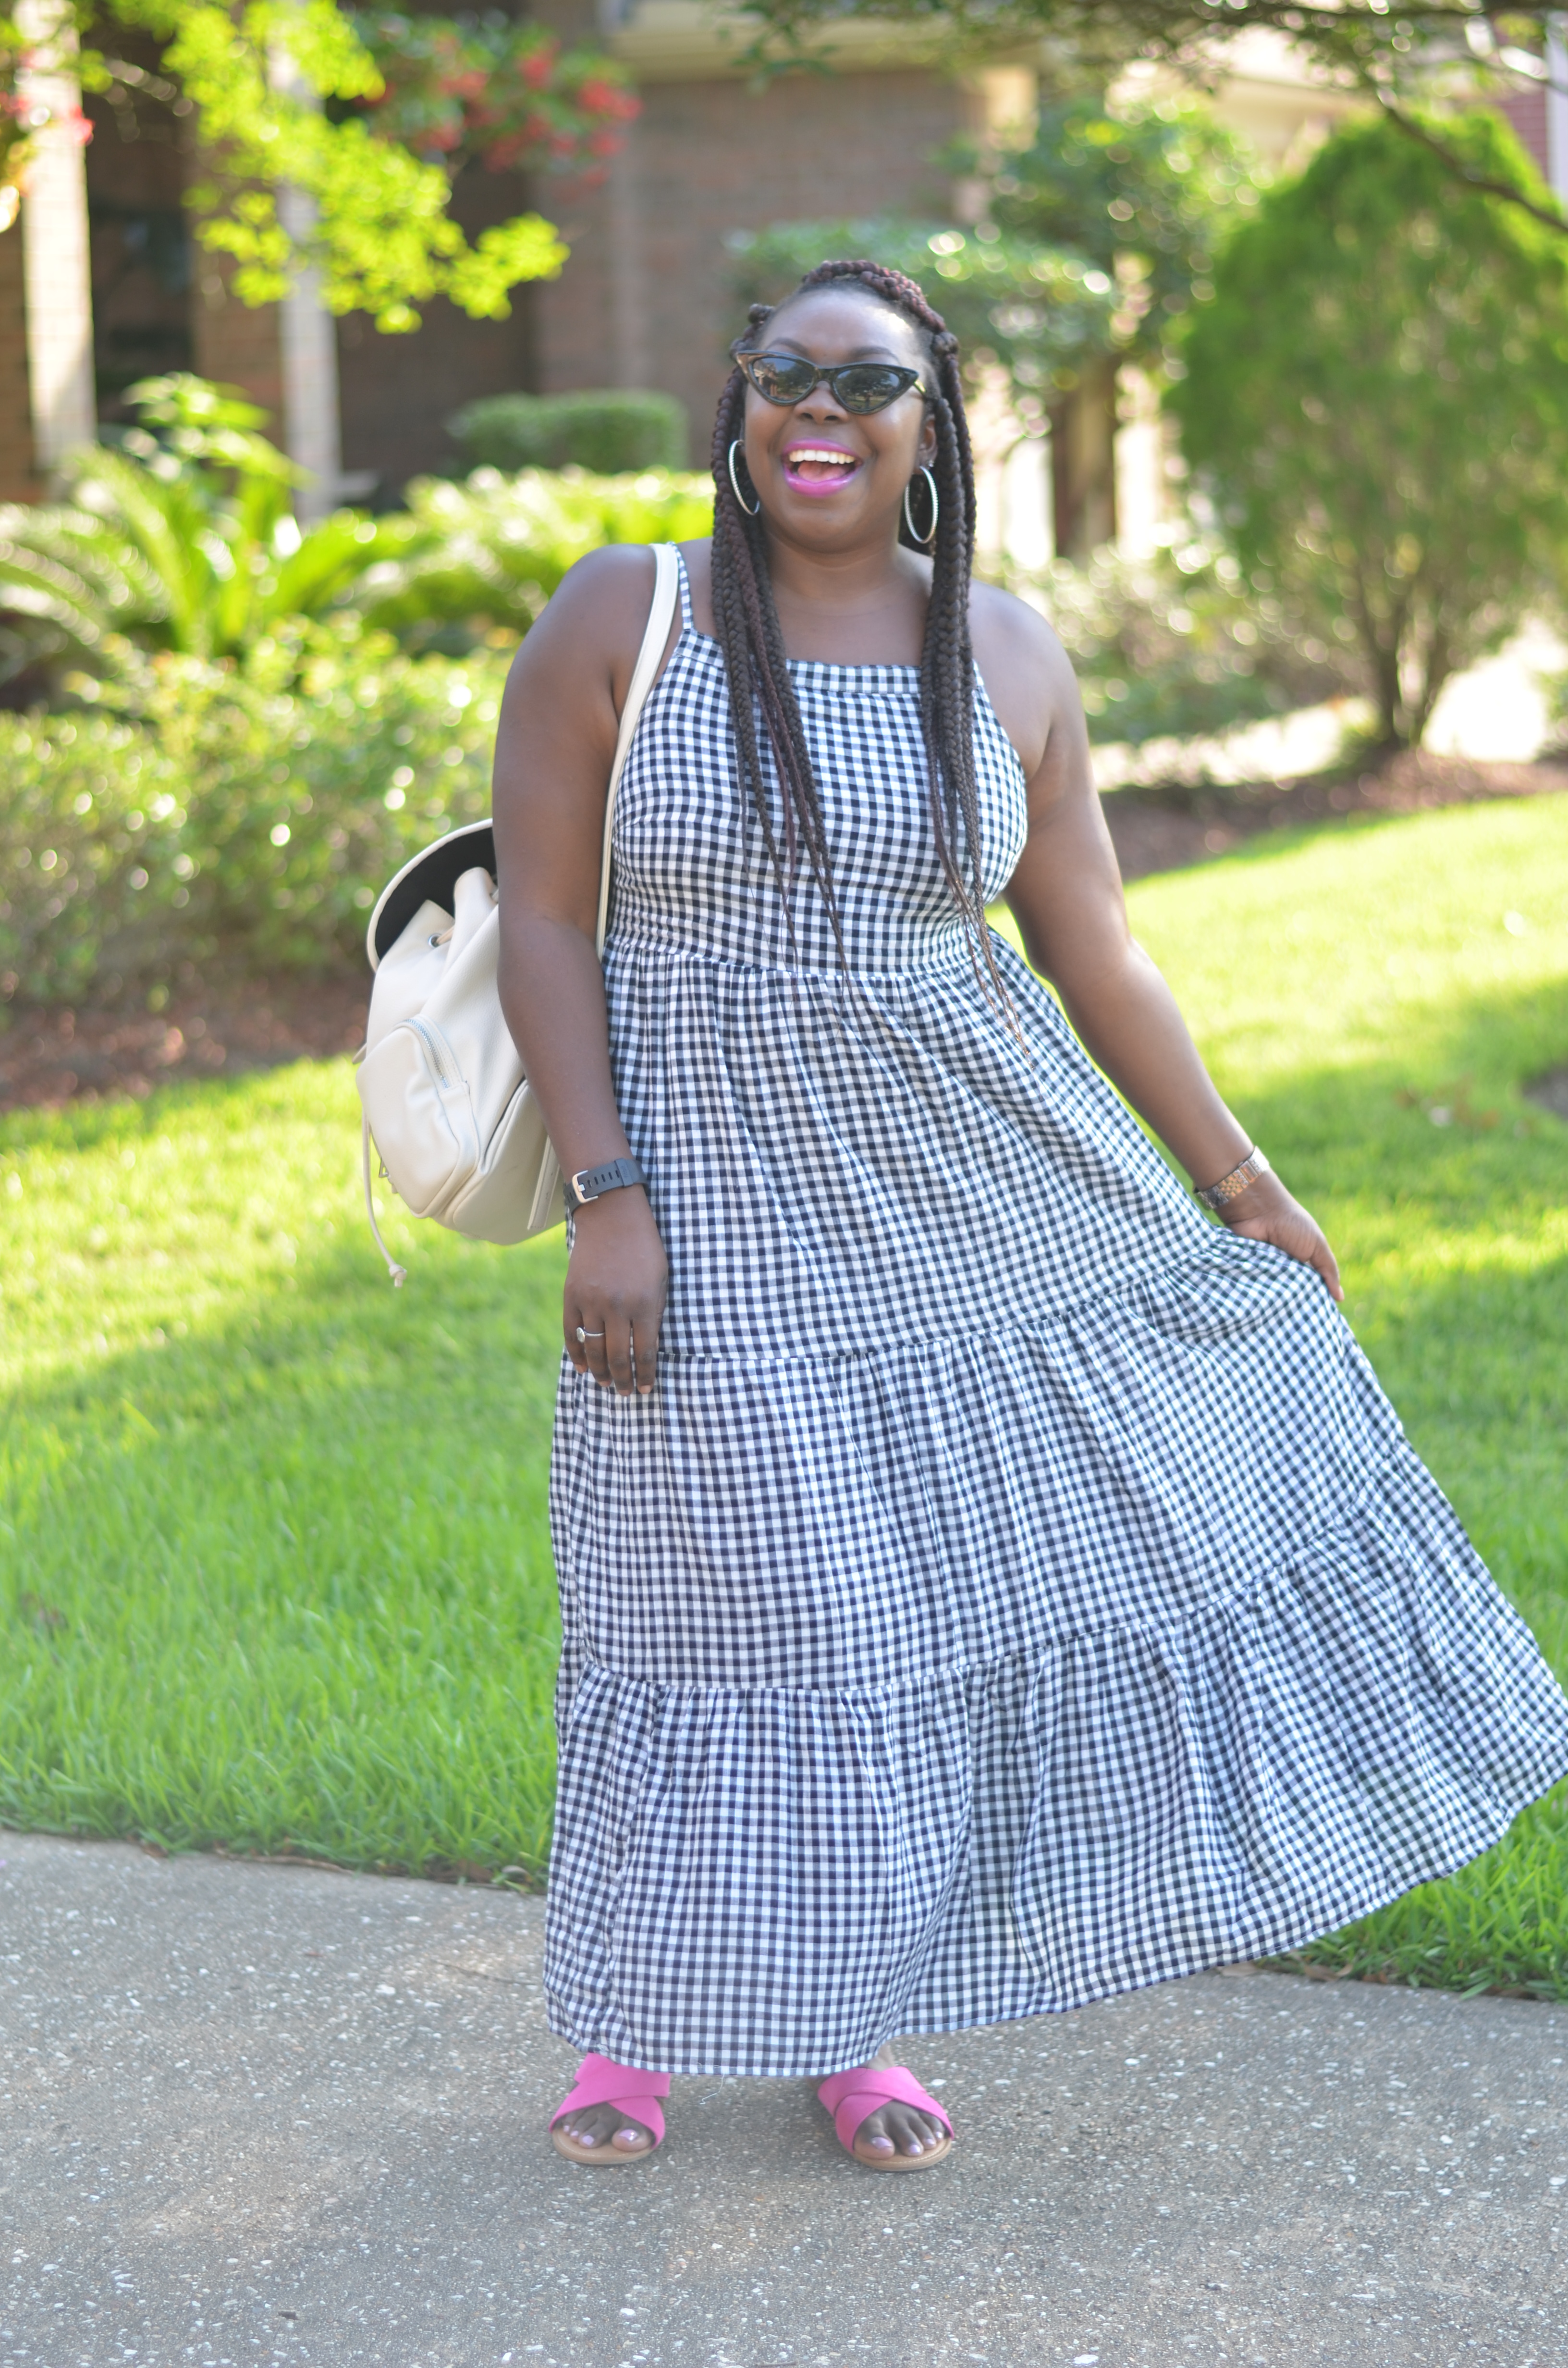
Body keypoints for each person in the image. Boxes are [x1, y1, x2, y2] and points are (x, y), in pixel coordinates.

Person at [492, 258, 1568, 2171]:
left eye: (867, 382)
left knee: (893, 1615)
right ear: (736, 402)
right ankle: (634, 2024)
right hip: (706, 1201)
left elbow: (1098, 952)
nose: (820, 411)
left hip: (965, 1189)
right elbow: (552, 923)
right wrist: (606, 1189)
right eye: (783, 375)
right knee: (708, 1597)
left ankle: (853, 2021)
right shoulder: (624, 615)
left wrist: (1244, 1181)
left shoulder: (998, 651)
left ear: (933, 421)